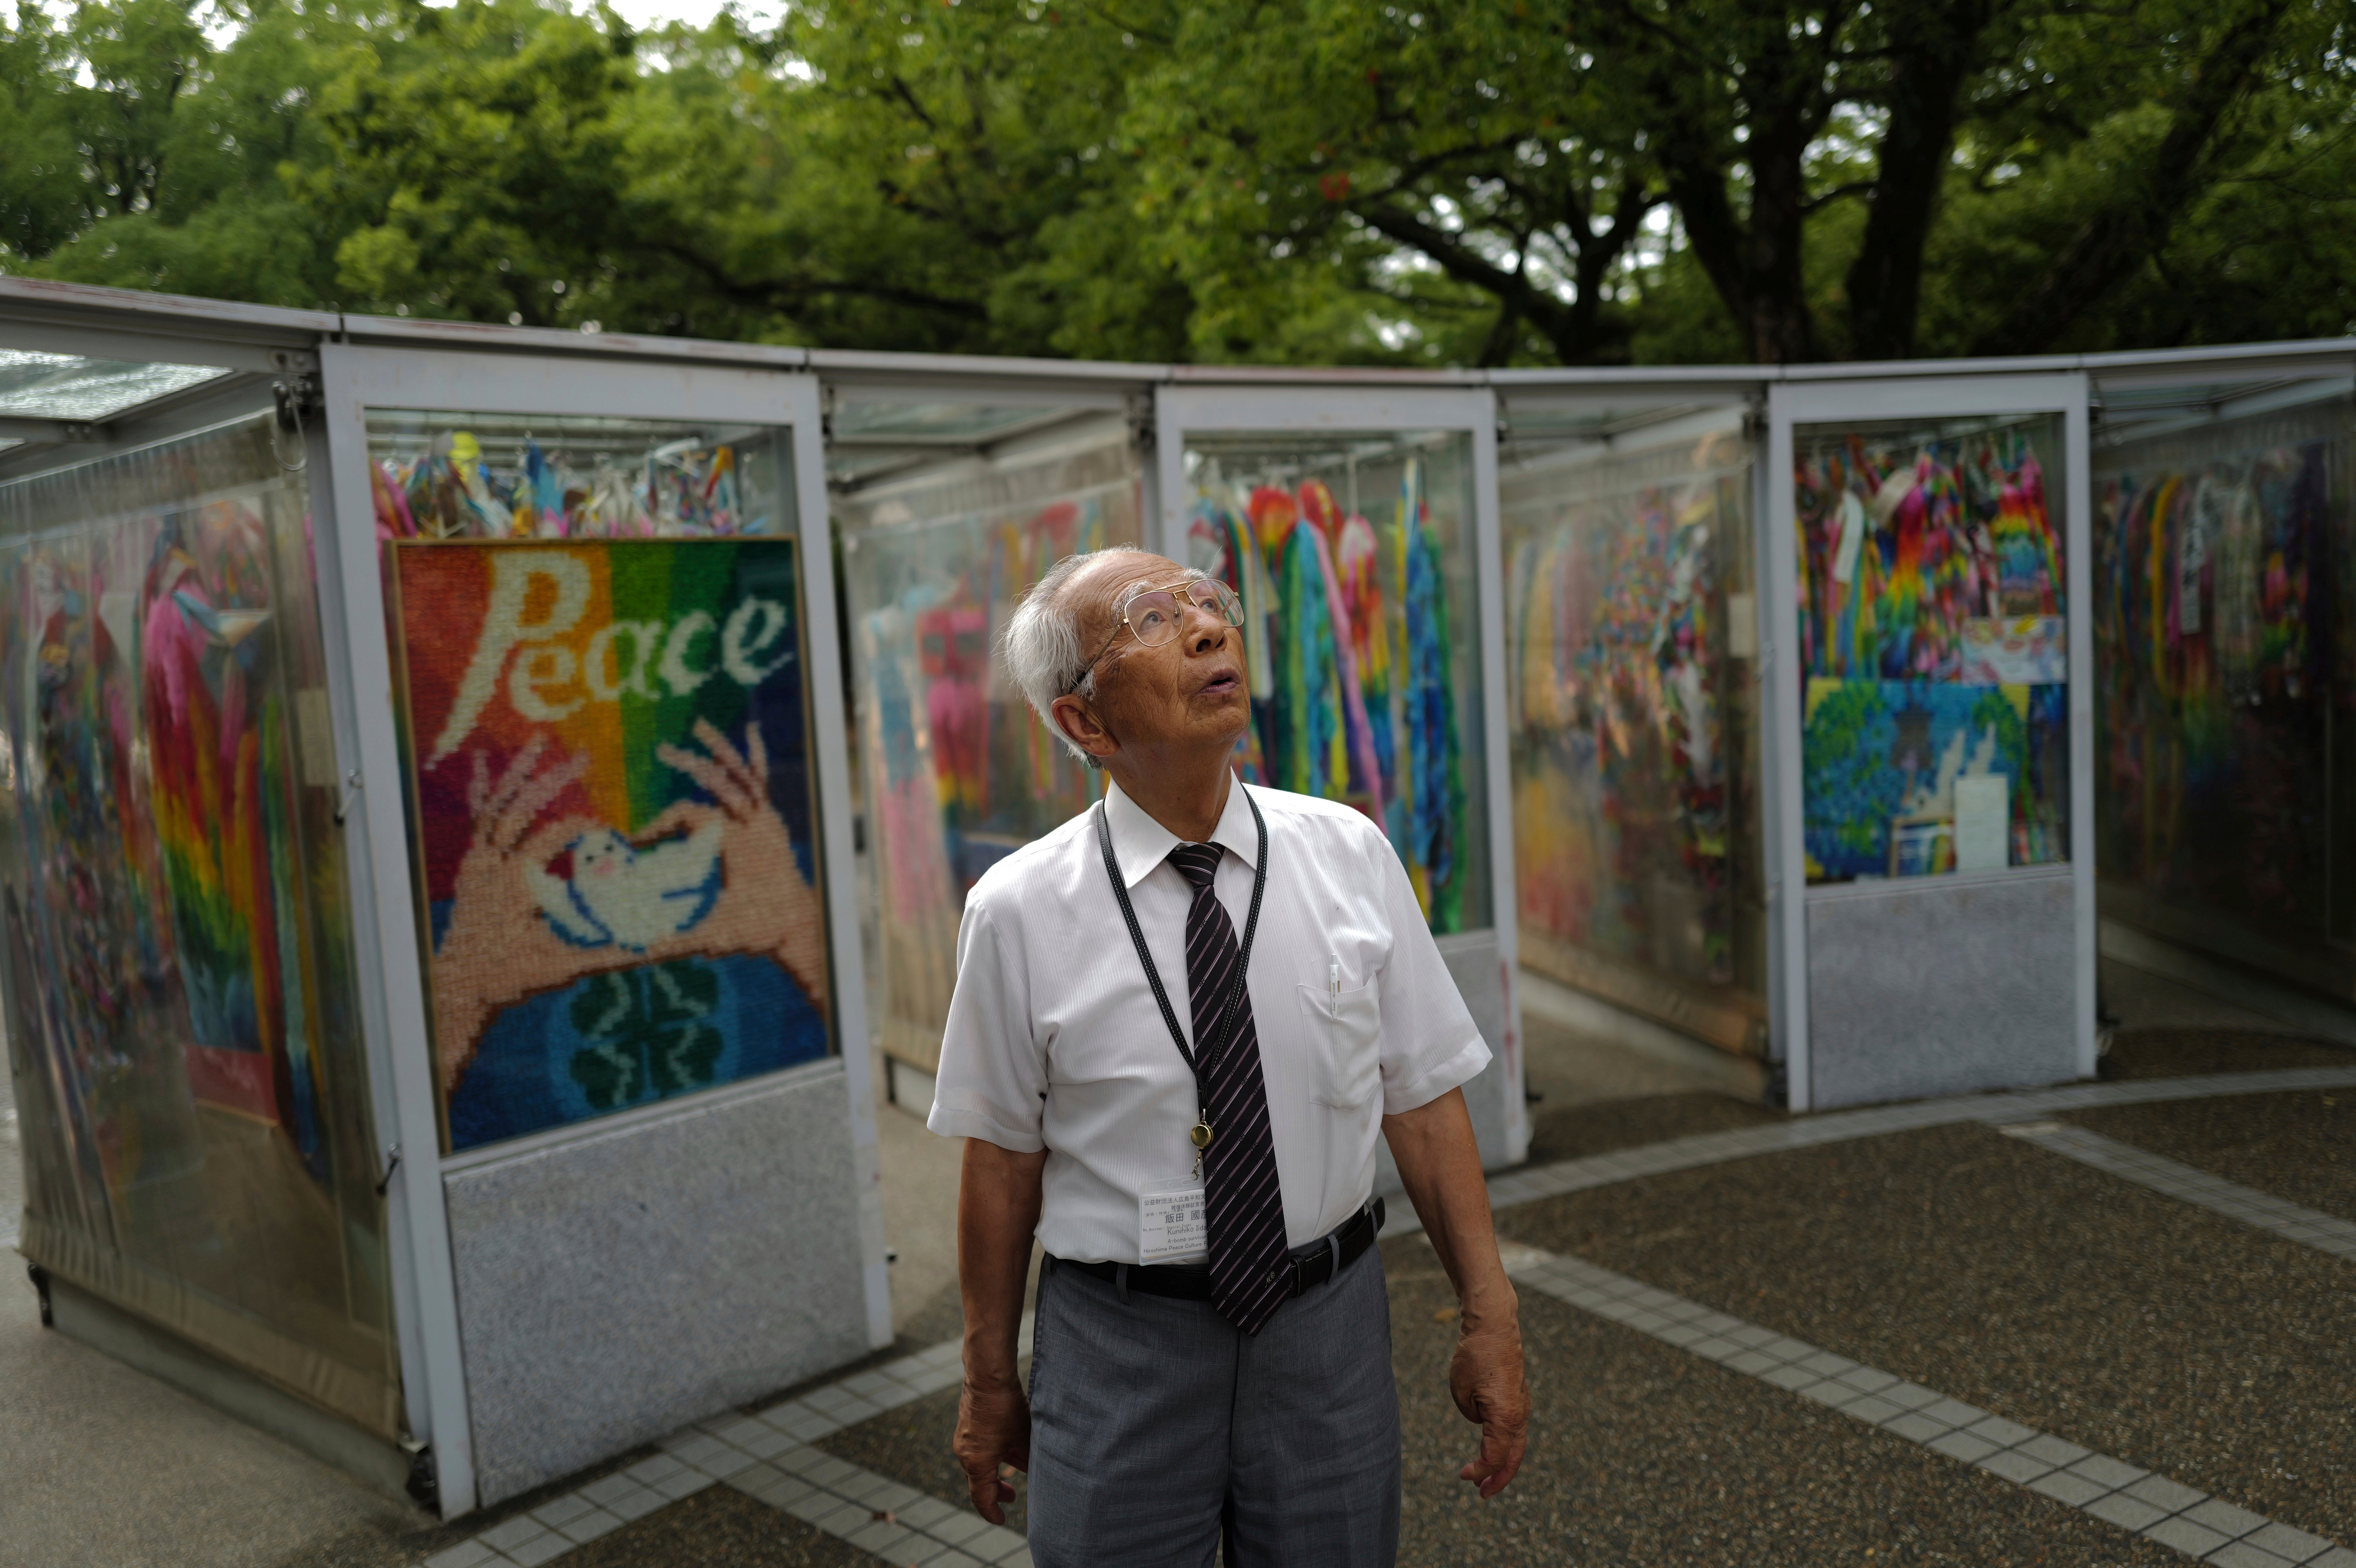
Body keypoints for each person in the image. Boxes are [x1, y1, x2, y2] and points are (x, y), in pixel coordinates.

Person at [925, 546, 1529, 1567]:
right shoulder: (1019, 911)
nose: (1209, 630)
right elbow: (1002, 1160)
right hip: (1121, 1346)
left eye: (1210, 606)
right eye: (1150, 621)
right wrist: (990, 1380)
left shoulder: (1350, 856)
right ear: (1085, 723)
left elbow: (1423, 1101)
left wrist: (1492, 1314)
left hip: (1325, 1331)